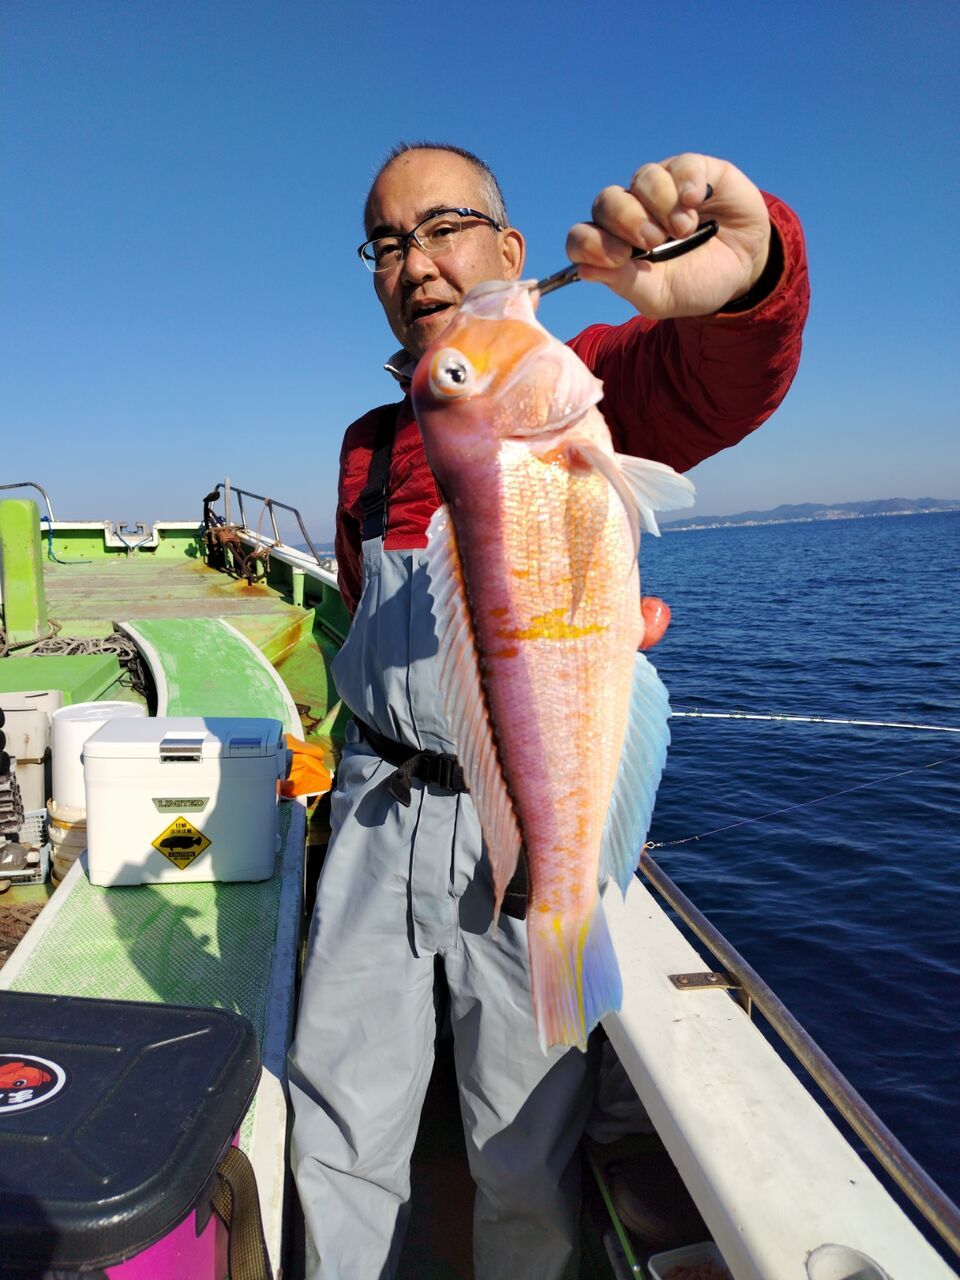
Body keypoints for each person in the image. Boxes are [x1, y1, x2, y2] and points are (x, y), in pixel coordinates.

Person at [288, 143, 810, 1280]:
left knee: (521, 1142)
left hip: (513, 827)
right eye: (387, 244)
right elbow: (357, 612)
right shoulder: (368, 445)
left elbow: (725, 372)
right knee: (334, 1117)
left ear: (511, 249)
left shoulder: (587, 378)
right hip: (376, 808)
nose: (415, 263)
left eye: (444, 227)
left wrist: (753, 269)